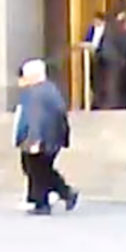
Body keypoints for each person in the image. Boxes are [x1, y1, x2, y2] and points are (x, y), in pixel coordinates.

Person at [14, 59, 78, 215]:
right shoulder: (49, 90)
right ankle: (56, 195)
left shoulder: (37, 93)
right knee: (40, 169)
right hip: (51, 138)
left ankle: (47, 201)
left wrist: (34, 140)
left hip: (43, 138)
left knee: (38, 170)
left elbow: (36, 118)